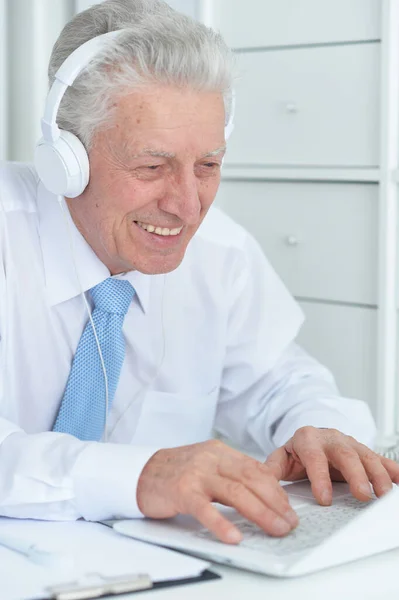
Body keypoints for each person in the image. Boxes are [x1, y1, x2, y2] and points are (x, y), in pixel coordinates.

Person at [0, 0, 398, 545]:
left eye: (208, 165)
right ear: (66, 159)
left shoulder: (221, 253)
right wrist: (136, 478)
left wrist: (320, 427)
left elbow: (279, 380)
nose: (188, 207)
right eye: (151, 167)